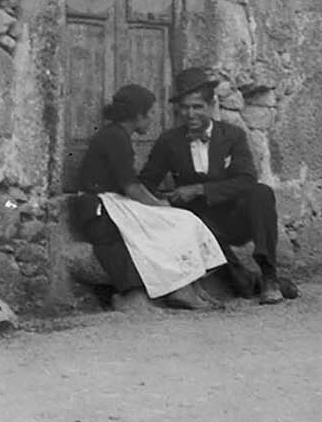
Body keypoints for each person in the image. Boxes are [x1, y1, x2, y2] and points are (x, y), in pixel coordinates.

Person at [139, 67, 298, 306]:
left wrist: (198, 189)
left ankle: (269, 277)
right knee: (195, 224)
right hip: (199, 223)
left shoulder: (232, 135)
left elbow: (246, 179)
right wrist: (159, 200)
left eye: (197, 107)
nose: (190, 114)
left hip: (235, 216)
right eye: (184, 108)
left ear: (211, 106)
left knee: (261, 193)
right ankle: (247, 282)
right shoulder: (169, 141)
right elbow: (147, 182)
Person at [75, 84, 227, 312]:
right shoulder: (115, 137)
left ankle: (189, 286)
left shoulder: (118, 136)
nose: (152, 119)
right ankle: (180, 289)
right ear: (138, 116)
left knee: (181, 220)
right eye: (150, 114)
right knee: (177, 220)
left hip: (114, 202)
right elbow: (132, 188)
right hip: (101, 205)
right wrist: (159, 206)